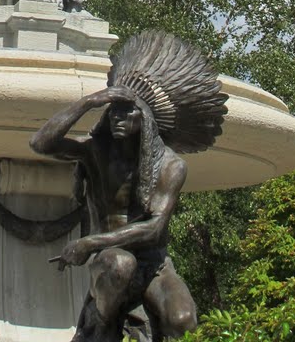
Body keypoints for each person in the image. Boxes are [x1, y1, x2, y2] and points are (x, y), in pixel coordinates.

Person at [30, 31, 228, 342]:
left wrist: (88, 243)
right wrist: (88, 102)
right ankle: (102, 323)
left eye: (128, 110)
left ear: (146, 118)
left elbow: (153, 228)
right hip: (110, 258)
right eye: (114, 110)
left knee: (183, 319)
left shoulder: (170, 165)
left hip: (154, 264)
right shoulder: (96, 152)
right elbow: (41, 144)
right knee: (121, 263)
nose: (118, 117)